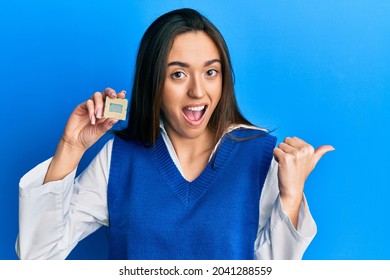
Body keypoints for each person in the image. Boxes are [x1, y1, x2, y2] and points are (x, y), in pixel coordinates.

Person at [16, 8, 334, 260]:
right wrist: (71, 147)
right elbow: (37, 257)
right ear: (153, 81)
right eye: (178, 74)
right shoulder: (119, 159)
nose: (198, 91)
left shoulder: (261, 157)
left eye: (211, 72)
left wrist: (291, 198)